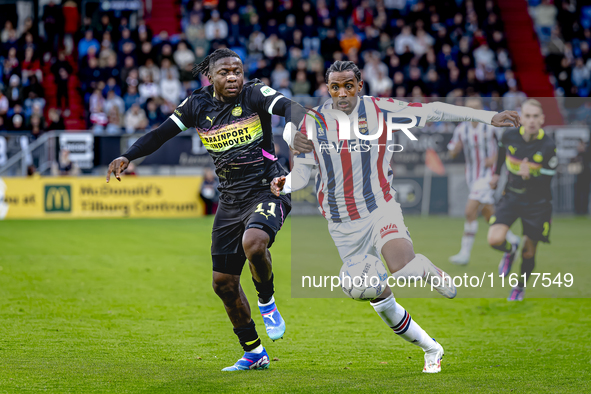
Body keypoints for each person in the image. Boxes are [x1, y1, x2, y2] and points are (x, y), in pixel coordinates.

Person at [274, 61, 520, 373]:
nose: (342, 93)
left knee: (401, 268)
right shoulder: (313, 122)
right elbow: (303, 176)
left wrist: (489, 118)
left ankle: (425, 267)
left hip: (379, 207)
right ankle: (431, 348)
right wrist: (285, 183)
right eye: (335, 87)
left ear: (360, 85)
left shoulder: (382, 109)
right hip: (341, 223)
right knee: (377, 297)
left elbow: (435, 112)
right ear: (328, 88)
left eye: (348, 85)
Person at [106, 48, 306, 371]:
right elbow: (161, 134)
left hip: (269, 187)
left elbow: (287, 107)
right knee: (223, 283)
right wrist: (129, 155)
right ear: (210, 76)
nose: (233, 78)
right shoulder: (197, 105)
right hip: (229, 200)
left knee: (254, 243)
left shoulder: (255, 93)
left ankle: (267, 301)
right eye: (225, 73)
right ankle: (253, 352)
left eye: (237, 71)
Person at [488, 99, 557, 301]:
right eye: (527, 116)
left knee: (529, 252)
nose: (532, 120)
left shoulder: (548, 145)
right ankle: (511, 250)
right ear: (521, 117)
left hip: (537, 204)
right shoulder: (509, 135)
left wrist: (532, 176)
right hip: (511, 196)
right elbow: (501, 152)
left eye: (536, 116)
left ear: (542, 119)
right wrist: (496, 174)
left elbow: (549, 179)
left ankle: (519, 287)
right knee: (494, 239)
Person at [447, 97, 520, 265]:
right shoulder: (461, 129)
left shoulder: (489, 126)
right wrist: (455, 150)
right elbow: (451, 151)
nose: (473, 111)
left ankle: (464, 253)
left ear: (481, 108)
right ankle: (512, 239)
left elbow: (505, 145)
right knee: (489, 214)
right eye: (470, 108)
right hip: (472, 177)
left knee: (469, 211)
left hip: (488, 175)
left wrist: (494, 158)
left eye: (476, 107)